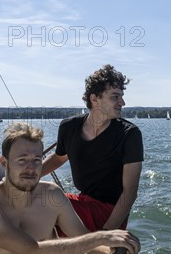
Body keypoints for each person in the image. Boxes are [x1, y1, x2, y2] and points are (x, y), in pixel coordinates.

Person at [0, 122, 140, 254]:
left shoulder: (52, 196)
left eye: (36, 160)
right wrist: (101, 236)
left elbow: (83, 240)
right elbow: (34, 253)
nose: (31, 168)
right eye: (22, 160)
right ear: (4, 163)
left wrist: (118, 250)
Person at [43, 64, 144, 231]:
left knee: (48, 198)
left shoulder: (129, 134)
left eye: (121, 96)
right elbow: (58, 158)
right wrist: (20, 178)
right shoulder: (69, 127)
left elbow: (130, 193)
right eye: (115, 97)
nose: (122, 102)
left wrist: (106, 234)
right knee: (33, 196)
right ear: (95, 99)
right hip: (82, 204)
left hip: (110, 214)